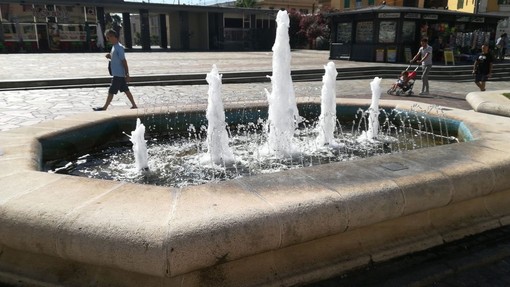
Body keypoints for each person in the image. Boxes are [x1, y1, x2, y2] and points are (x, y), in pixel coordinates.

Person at [93, 29, 137, 111]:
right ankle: (134, 105)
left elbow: (124, 61)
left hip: (118, 74)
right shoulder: (114, 47)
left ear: (113, 37)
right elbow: (117, 58)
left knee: (111, 91)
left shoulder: (119, 48)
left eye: (108, 37)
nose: (107, 39)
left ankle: (105, 107)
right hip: (118, 74)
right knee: (126, 90)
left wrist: (127, 74)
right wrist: (110, 56)